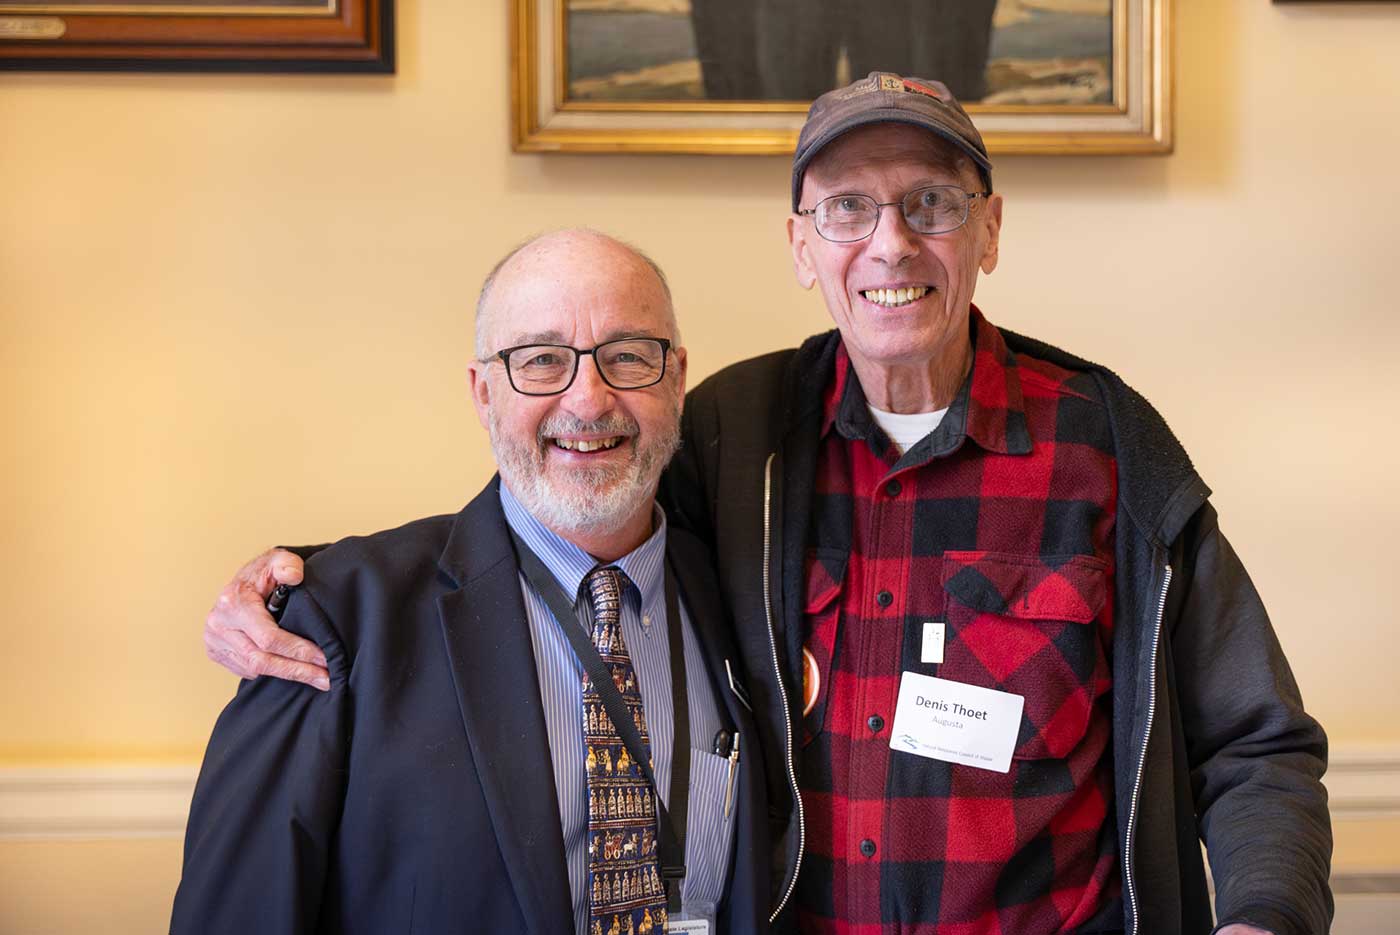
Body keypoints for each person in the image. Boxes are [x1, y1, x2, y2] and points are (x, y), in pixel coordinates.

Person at [203, 74, 1333, 935]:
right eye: (846, 208)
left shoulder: (1109, 448)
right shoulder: (735, 439)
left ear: (988, 229)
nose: (890, 242)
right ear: (801, 245)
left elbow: (1257, 740)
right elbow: (563, 501)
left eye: (930, 203)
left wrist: (1260, 917)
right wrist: (308, 583)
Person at [173, 230, 769, 935]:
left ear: (676, 380)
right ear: (483, 393)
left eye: (628, 356)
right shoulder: (336, 625)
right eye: (541, 360)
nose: (588, 399)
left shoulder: (747, 598)